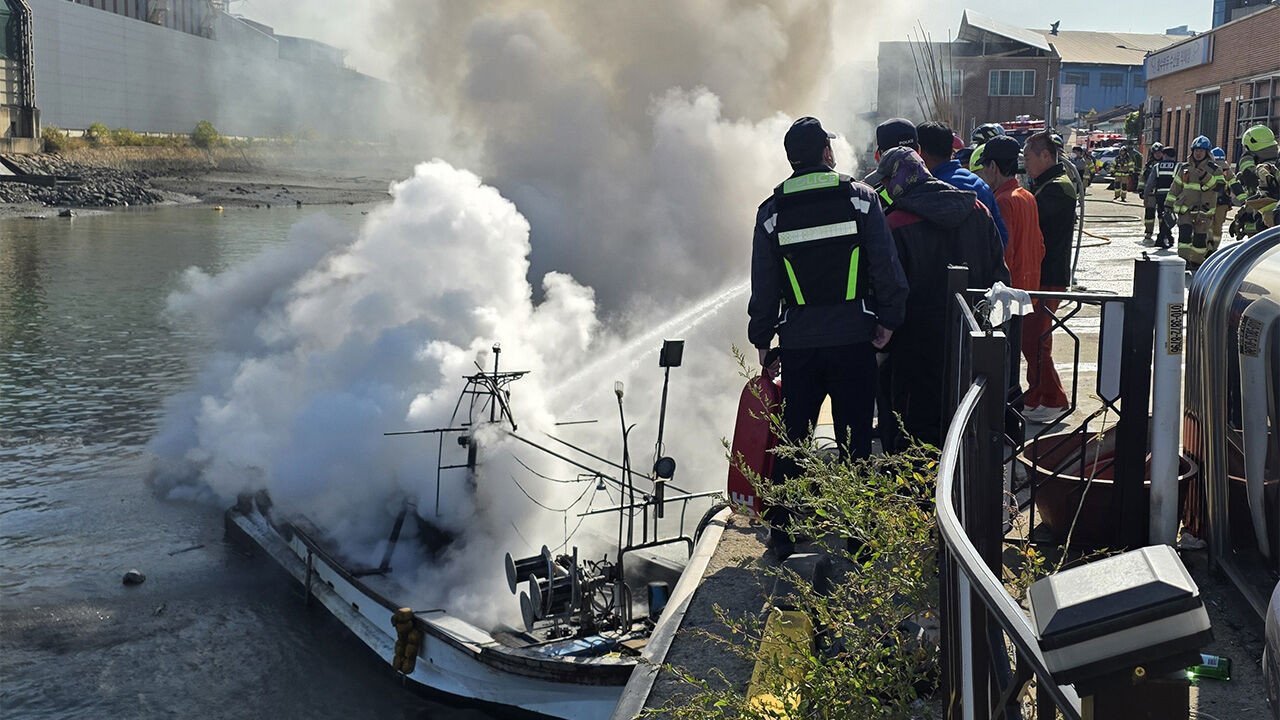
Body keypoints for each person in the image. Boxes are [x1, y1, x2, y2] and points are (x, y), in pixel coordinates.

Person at [748, 116, 909, 555]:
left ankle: (782, 531)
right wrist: (888, 322)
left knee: (794, 439)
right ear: (825, 153)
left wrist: (764, 340)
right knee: (855, 437)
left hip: (798, 344)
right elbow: (886, 269)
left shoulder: (772, 212)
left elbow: (764, 285)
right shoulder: (860, 199)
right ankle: (858, 535)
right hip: (854, 340)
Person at [877, 147, 1009, 450]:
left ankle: (918, 495)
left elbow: (888, 290)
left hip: (915, 352)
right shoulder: (978, 210)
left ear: (896, 183)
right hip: (971, 345)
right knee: (967, 427)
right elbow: (1000, 279)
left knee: (913, 434)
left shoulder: (895, 223)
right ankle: (962, 493)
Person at [1022, 131, 1076, 424]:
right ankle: (1037, 395)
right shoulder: (1046, 185)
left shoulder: (1058, 188)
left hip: (1049, 275)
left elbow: (1034, 222)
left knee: (1036, 338)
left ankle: (1054, 399)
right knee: (1033, 338)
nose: (1025, 164)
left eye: (1028, 158)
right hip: (1040, 274)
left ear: (1046, 155)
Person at [917, 121, 1009, 247]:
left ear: (920, 152)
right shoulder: (979, 185)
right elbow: (1001, 237)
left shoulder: (928, 190)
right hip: (982, 264)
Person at [976, 136, 1045, 295]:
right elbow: (1040, 247)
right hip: (1029, 288)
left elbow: (1004, 252)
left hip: (1009, 294)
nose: (984, 173)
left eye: (984, 166)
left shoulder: (1002, 201)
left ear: (993, 166)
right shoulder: (1028, 197)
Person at [1170, 136, 1226, 269]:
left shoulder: (1215, 169)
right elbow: (1175, 187)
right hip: (1186, 209)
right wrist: (1167, 205)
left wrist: (1206, 178)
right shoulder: (1184, 168)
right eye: (1196, 150)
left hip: (1204, 212)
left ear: (1207, 152)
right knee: (1184, 235)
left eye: (1201, 150)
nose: (1198, 153)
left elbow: (1220, 187)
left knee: (1200, 239)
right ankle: (1182, 262)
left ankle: (1196, 262)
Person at [1230, 124, 1280, 239]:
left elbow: (1253, 182)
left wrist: (1245, 159)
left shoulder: (1266, 170)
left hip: (1268, 237)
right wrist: (1241, 218)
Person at [1211, 146, 1247, 251]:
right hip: (1215, 203)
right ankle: (1211, 248)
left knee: (1213, 227)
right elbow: (1236, 187)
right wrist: (1244, 201)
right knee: (1214, 227)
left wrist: (1244, 201)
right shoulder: (1227, 170)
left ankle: (1211, 248)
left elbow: (1235, 186)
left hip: (1217, 202)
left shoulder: (1226, 172)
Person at [1143, 146, 1179, 248]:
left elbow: (1149, 183)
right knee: (1168, 216)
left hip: (1160, 196)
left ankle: (1164, 238)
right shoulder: (1178, 166)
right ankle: (1164, 238)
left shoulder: (1157, 166)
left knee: (1163, 216)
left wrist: (1146, 197)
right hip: (1173, 196)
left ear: (1165, 155)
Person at [1140, 142, 1165, 240]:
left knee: (1162, 213)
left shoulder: (1165, 164)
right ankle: (1148, 231)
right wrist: (1141, 190)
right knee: (1149, 213)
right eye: (1156, 153)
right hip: (1151, 194)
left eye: (1159, 153)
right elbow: (1142, 178)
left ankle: (1163, 232)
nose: (1158, 155)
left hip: (1162, 193)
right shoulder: (1148, 166)